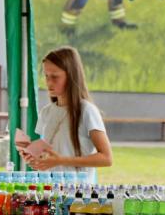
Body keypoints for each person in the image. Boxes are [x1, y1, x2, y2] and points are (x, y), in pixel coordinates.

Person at [25, 47, 113, 182]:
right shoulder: (46, 112)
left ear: (71, 76)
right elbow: (50, 153)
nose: (49, 82)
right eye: (46, 76)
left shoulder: (87, 111)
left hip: (77, 191)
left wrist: (61, 160)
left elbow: (106, 158)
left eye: (55, 76)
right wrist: (35, 158)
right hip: (49, 190)